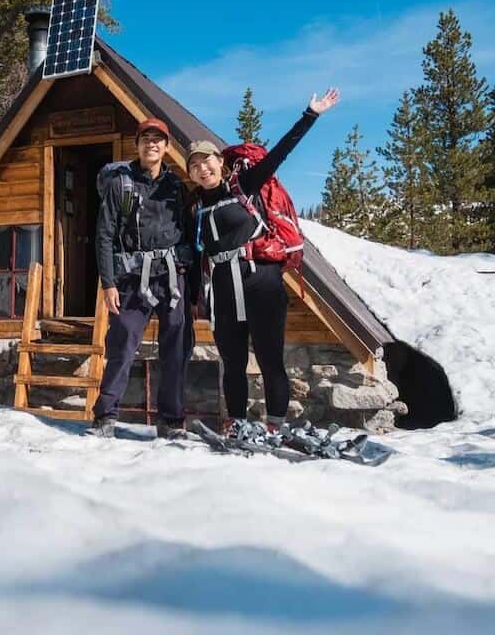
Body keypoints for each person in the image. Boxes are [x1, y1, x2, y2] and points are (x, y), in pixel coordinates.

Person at [186, 89, 341, 436]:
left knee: (271, 360)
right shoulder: (194, 207)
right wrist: (194, 300)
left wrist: (310, 114)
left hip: (262, 281)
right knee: (233, 364)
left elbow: (279, 154)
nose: (202, 168)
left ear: (219, 162)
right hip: (224, 289)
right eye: (194, 165)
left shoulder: (244, 185)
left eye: (206, 161)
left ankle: (275, 425)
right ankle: (238, 423)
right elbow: (198, 257)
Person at [87, 118, 195, 439]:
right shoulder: (120, 184)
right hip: (132, 281)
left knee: (176, 348)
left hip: (174, 279)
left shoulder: (177, 187)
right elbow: (104, 235)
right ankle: (105, 417)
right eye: (146, 139)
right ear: (137, 145)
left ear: (166, 147)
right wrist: (108, 284)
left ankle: (171, 420)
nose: (152, 144)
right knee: (121, 345)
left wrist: (195, 290)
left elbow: (191, 234)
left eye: (158, 139)